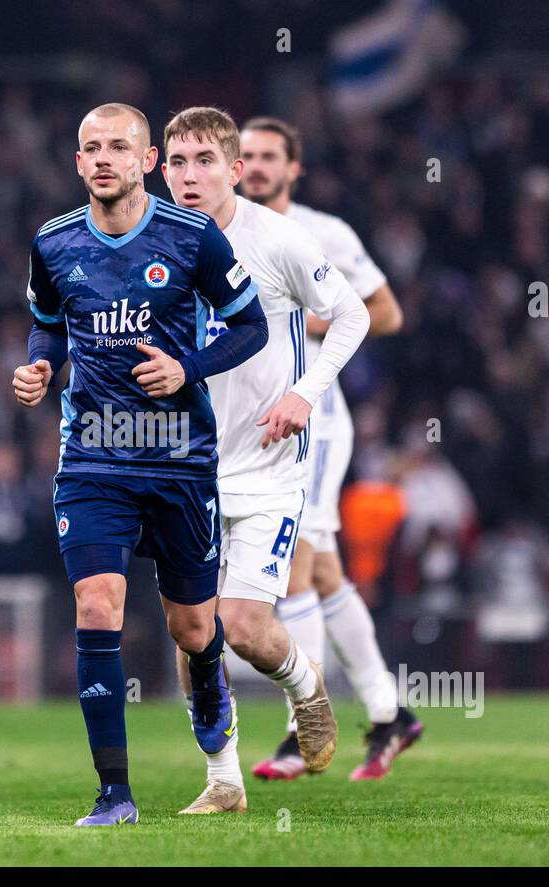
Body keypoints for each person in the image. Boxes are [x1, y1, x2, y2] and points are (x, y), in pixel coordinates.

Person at [12, 103, 270, 826]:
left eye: (117, 147)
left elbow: (249, 326)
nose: (102, 158)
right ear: (77, 162)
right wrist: (39, 367)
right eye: (90, 147)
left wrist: (186, 367)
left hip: (181, 460)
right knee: (98, 604)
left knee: (193, 630)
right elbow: (47, 324)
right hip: (93, 456)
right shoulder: (53, 243)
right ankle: (113, 794)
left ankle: (212, 686)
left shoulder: (193, 238)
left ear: (147, 160)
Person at [162, 107, 370, 812]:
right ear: (162, 169)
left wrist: (307, 394)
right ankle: (223, 782)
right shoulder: (151, 243)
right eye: (178, 163)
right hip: (184, 467)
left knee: (244, 628)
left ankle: (306, 688)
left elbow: (355, 315)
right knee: (194, 637)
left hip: (268, 463)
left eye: (205, 162)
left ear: (236, 168)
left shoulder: (279, 239)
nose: (190, 177)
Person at [239, 116, 422, 782]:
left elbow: (389, 312)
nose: (254, 166)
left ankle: (299, 730)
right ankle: (388, 712)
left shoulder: (325, 233)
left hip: (316, 419)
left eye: (268, 156)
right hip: (257, 423)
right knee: (323, 576)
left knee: (292, 571)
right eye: (246, 155)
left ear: (295, 168)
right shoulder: (226, 231)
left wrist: (303, 316)